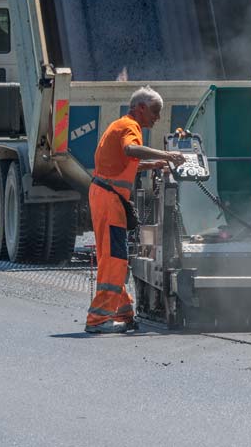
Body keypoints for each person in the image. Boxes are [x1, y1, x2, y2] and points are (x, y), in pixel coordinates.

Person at [84, 86, 185, 334]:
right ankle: (98, 320)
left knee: (115, 257)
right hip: (109, 200)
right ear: (140, 108)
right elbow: (130, 150)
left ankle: (123, 314)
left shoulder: (120, 125)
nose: (157, 117)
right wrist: (168, 155)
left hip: (107, 197)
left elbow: (125, 162)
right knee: (114, 260)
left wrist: (153, 164)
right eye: (154, 111)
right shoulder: (130, 127)